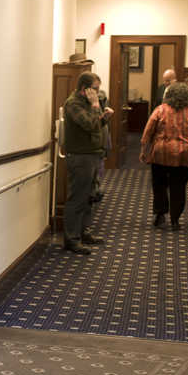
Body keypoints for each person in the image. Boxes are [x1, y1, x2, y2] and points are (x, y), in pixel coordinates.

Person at [140, 81, 188, 230]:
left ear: (169, 95)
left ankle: (160, 213)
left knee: (159, 184)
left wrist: (144, 151)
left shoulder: (160, 110)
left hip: (161, 153)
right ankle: (175, 219)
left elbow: (148, 132)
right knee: (179, 186)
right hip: (186, 155)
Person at [62, 71, 114, 254]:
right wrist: (95, 106)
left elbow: (97, 124)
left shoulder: (89, 103)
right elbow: (89, 124)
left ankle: (84, 232)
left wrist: (104, 117)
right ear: (85, 89)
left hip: (93, 154)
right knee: (77, 198)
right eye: (95, 89)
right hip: (80, 156)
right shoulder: (73, 104)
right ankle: (71, 239)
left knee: (89, 197)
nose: (98, 92)